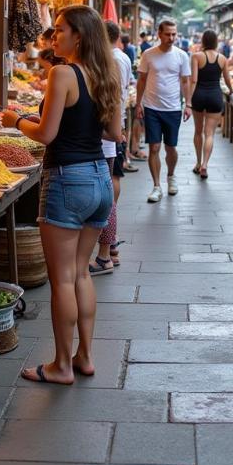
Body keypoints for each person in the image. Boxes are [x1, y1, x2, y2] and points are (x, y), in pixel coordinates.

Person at [1, 5, 122, 385]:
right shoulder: (106, 73)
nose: (53, 37)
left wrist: (15, 120)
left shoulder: (62, 73)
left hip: (67, 180)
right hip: (100, 178)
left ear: (78, 36)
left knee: (63, 280)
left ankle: (61, 365)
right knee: (82, 273)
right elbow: (114, 133)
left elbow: (46, 135)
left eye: (59, 30)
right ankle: (84, 356)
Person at [91, 20, 134, 275]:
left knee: (106, 201)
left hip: (102, 142)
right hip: (103, 140)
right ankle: (109, 250)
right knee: (106, 198)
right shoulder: (111, 60)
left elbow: (112, 108)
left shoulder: (109, 63)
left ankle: (106, 253)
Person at [135, 19, 191, 202]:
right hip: (152, 107)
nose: (171, 37)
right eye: (167, 34)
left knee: (171, 147)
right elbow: (141, 80)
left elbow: (185, 81)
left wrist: (188, 104)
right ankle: (157, 186)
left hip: (173, 108)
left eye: (174, 34)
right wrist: (138, 103)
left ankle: (171, 176)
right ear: (159, 34)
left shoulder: (182, 55)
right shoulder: (148, 54)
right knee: (154, 147)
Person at [190, 28, 233, 179]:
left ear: (203, 41)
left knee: (198, 131)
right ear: (215, 42)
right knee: (209, 134)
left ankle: (197, 162)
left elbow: (193, 80)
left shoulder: (196, 56)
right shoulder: (222, 58)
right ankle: (205, 165)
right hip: (215, 95)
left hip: (199, 96)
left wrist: (188, 101)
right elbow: (227, 80)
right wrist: (231, 90)